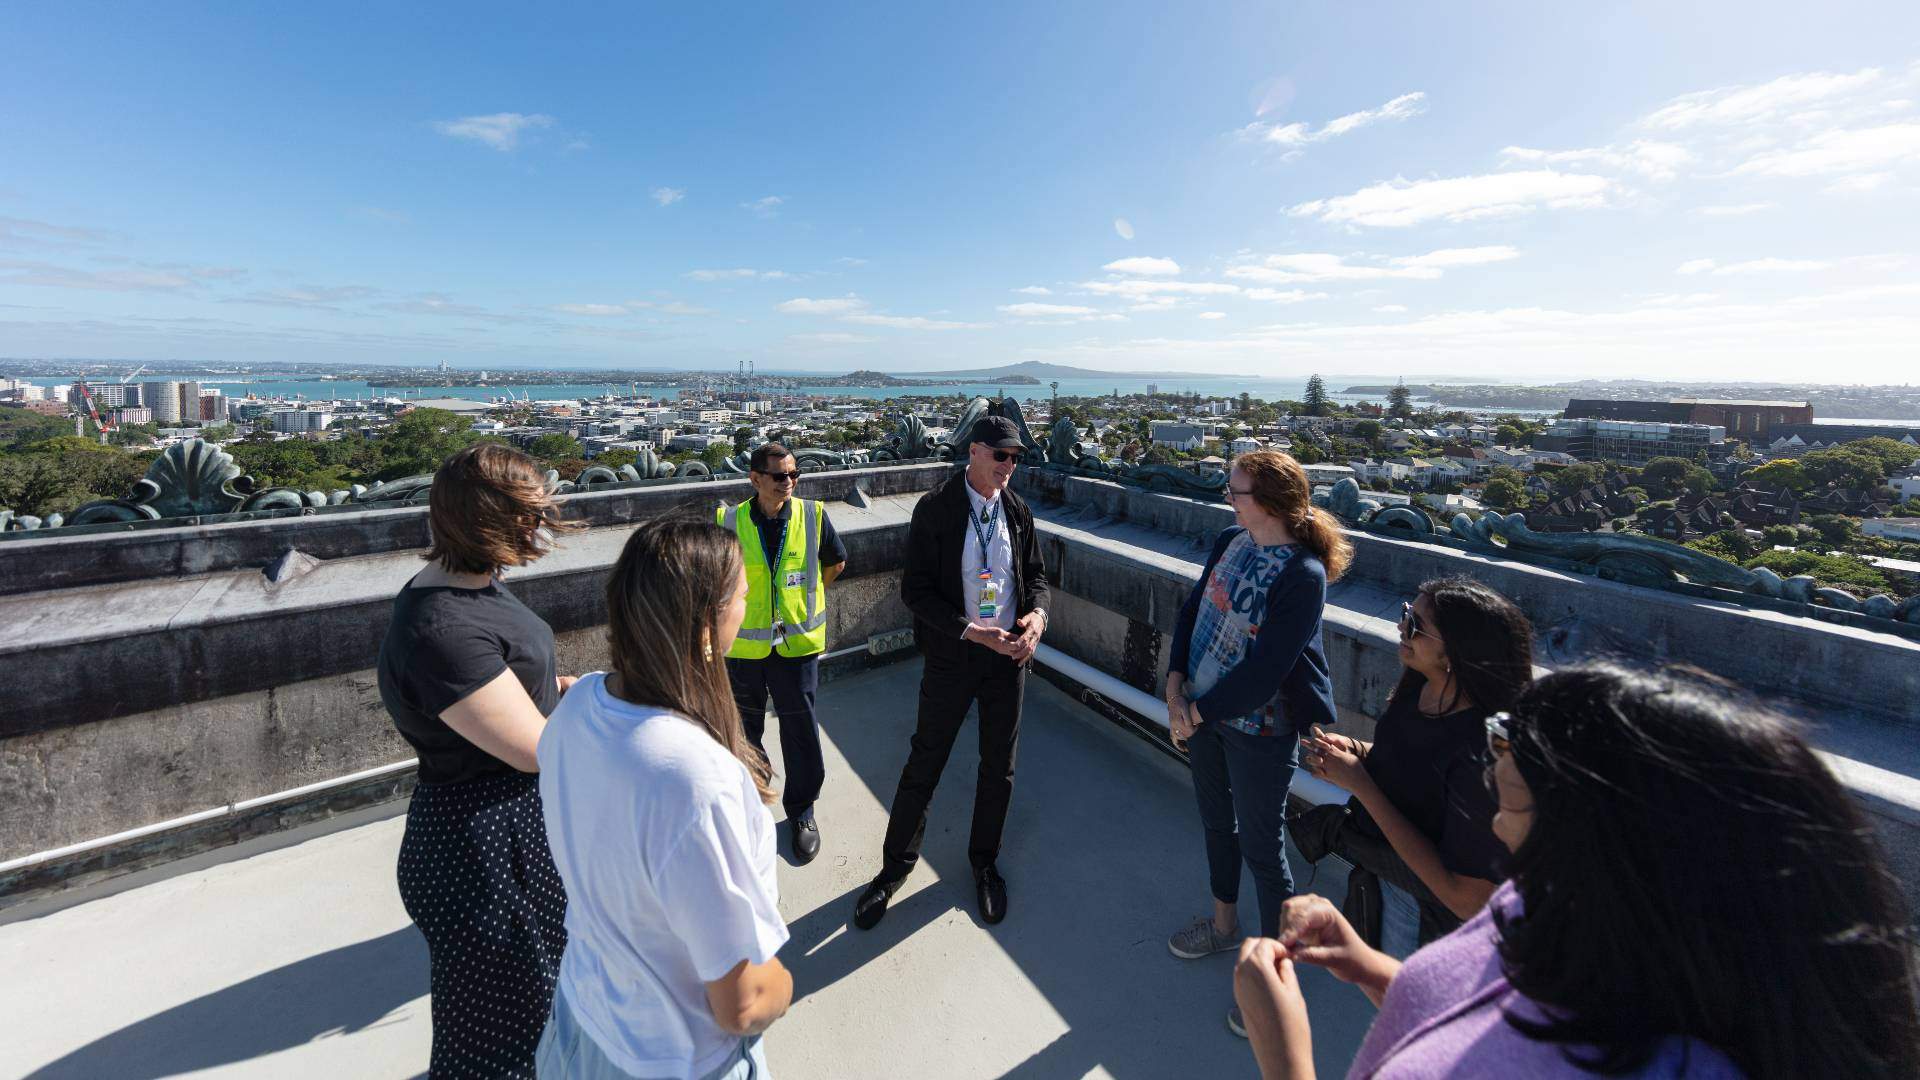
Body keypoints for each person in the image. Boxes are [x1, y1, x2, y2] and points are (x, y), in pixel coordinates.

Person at [1234, 662, 1920, 1080]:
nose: (1491, 753)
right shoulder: (1546, 903)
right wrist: (1363, 964)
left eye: (1508, 740)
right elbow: (1488, 1004)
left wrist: (1286, 1057)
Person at [535, 518, 792, 1080]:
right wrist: (782, 982)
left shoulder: (577, 708)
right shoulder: (693, 781)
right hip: (675, 1058)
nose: (745, 610)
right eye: (741, 597)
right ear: (706, 623)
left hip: (580, 1026)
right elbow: (742, 1002)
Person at [376, 442, 576, 1079]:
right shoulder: (444, 631)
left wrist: (556, 692)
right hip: (488, 846)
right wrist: (608, 709)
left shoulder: (462, 589)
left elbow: (513, 699)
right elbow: (536, 751)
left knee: (535, 1009)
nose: (538, 527)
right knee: (501, 1043)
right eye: (528, 514)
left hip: (498, 830)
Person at [1162, 449, 1353, 1038]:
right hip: (1202, 712)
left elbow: (1269, 669)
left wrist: (1193, 709)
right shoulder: (1231, 540)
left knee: (1265, 851)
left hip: (1260, 731)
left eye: (1236, 491)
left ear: (1267, 503)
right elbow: (1195, 609)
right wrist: (1175, 683)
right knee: (1218, 824)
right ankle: (1224, 928)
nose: (1228, 499)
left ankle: (1276, 974)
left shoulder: (1302, 574)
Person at [853, 415, 1051, 929]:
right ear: (975, 452)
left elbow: (1036, 580)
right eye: (1002, 455)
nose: (1010, 465)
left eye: (1016, 457)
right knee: (926, 761)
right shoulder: (936, 508)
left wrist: (1037, 619)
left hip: (1008, 659)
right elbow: (914, 591)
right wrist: (970, 631)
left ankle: (984, 864)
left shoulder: (1017, 512)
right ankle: (892, 871)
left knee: (997, 769)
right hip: (952, 657)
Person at [1298, 578, 1531, 956]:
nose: (1401, 628)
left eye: (1416, 627)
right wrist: (1358, 750)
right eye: (1406, 614)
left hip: (1428, 915)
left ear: (1457, 652)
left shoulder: (1484, 754)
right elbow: (1418, 765)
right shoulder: (1422, 686)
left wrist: (1361, 785)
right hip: (1389, 878)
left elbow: (1466, 900)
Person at [717, 442, 848, 865]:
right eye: (779, 476)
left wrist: (802, 603)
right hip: (744, 649)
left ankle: (802, 811)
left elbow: (835, 563)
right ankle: (752, 801)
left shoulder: (812, 516)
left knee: (801, 733)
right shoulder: (729, 521)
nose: (788, 483)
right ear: (754, 479)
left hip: (795, 647)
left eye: (794, 475)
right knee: (744, 734)